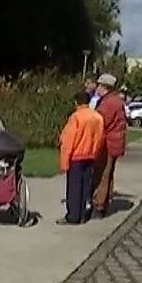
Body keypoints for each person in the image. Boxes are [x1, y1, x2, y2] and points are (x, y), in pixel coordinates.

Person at [56, 91, 104, 225]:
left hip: (76, 156)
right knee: (85, 186)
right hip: (90, 155)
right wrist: (95, 153)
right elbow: (100, 138)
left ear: (76, 102)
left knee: (74, 188)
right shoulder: (97, 117)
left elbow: (68, 141)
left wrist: (64, 162)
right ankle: (83, 214)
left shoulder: (76, 117)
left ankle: (73, 215)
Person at [90, 73, 128, 218]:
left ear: (105, 87)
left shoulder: (108, 103)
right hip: (115, 142)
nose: (97, 88)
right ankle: (105, 201)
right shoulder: (115, 101)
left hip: (108, 144)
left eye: (99, 85)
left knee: (103, 174)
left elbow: (101, 121)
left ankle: (99, 205)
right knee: (108, 173)